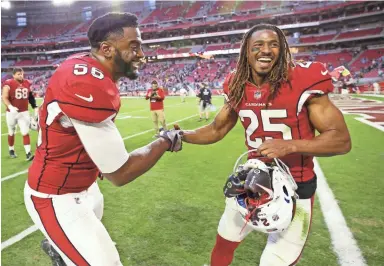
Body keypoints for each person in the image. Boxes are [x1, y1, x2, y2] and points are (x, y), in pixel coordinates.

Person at [181, 24, 351, 266]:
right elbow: (216, 129)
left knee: (275, 262)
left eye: (273, 44)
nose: (266, 50)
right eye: (258, 45)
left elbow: (341, 139)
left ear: (282, 49)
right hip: (251, 181)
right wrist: (182, 135)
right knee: (224, 243)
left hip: (295, 186)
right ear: (246, 52)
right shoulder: (237, 84)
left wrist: (290, 145)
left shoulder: (302, 80)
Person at [24, 12, 182, 266]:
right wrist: (164, 140)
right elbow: (120, 173)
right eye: (134, 46)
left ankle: (61, 251)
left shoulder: (87, 66)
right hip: (55, 195)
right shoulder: (87, 84)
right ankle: (60, 250)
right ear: (107, 49)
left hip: (86, 187)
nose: (141, 54)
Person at [2, 67, 37, 160]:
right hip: (11, 113)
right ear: (13, 75)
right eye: (18, 74)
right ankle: (11, 149)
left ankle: (28, 154)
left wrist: (35, 106)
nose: (21, 75)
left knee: (25, 132)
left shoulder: (27, 83)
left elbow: (30, 96)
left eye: (21, 74)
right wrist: (10, 107)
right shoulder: (9, 83)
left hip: (24, 112)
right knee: (11, 132)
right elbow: (4, 97)